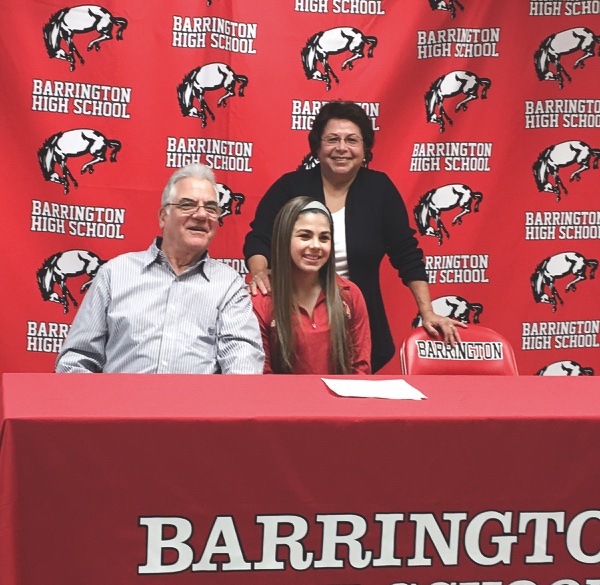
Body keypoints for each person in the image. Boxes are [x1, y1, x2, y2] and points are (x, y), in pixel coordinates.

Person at [244, 100, 464, 372]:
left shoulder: (379, 190)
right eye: (332, 139)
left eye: (352, 140)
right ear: (317, 146)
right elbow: (259, 238)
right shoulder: (291, 186)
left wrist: (427, 311)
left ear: (365, 149)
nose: (341, 148)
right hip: (295, 323)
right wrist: (260, 274)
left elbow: (406, 253)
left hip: (356, 318)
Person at [56, 163, 264, 374]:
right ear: (163, 217)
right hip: (119, 405)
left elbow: (243, 365)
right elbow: (76, 360)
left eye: (211, 208)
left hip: (196, 406)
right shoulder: (114, 274)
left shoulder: (229, 285)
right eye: (187, 205)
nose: (201, 215)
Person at [251, 196, 371, 374]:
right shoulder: (260, 301)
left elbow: (361, 369)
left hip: (342, 402)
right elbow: (262, 375)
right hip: (283, 401)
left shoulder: (349, 294)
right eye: (305, 236)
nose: (316, 245)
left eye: (324, 238)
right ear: (284, 239)